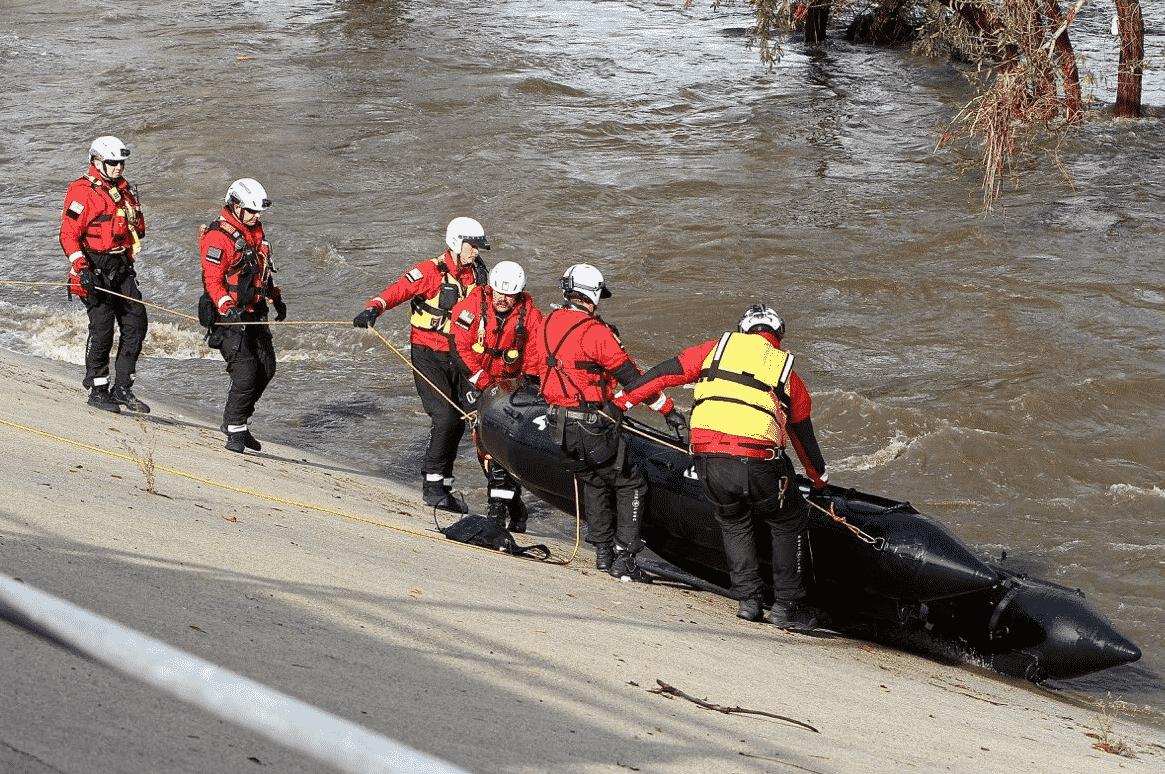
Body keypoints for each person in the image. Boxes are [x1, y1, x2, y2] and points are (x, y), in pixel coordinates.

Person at [616, 304, 828, 629]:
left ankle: (748, 600)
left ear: (743, 330)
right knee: (788, 520)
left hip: (707, 457)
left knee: (733, 522)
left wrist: (620, 403)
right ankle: (787, 606)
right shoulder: (784, 369)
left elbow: (662, 374)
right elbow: (802, 434)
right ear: (778, 336)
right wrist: (819, 481)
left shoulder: (715, 349)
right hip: (757, 460)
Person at [535, 263, 687, 581]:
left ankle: (602, 552)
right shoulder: (596, 332)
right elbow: (633, 379)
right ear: (592, 295)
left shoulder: (546, 322)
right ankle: (625, 557)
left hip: (557, 425)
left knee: (592, 481)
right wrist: (668, 409)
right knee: (630, 482)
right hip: (591, 425)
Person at [353, 217, 489, 512]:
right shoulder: (429, 272)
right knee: (445, 418)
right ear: (456, 242)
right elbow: (398, 290)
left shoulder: (479, 275)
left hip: (462, 356)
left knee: (472, 419)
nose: (476, 252)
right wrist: (373, 308)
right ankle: (432, 486)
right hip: (429, 355)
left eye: (478, 247)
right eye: (472, 246)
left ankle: (450, 486)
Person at [450, 260, 544, 532]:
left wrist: (524, 387)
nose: (503, 299)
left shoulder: (531, 317)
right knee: (484, 447)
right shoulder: (471, 307)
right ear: (491, 289)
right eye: (499, 293)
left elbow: (535, 356)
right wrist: (482, 381)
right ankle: (511, 506)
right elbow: (459, 347)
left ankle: (501, 509)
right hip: (476, 379)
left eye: (509, 294)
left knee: (503, 446)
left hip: (511, 386)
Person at [61, 135, 149, 413]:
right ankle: (98, 388)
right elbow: (68, 234)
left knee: (136, 324)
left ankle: (122, 387)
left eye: (121, 163)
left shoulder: (124, 192)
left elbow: (137, 228)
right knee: (102, 329)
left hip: (121, 266)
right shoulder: (82, 191)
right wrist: (81, 267)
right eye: (112, 163)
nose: (118, 168)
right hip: (93, 267)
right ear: (97, 161)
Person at [199, 178, 285, 454]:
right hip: (228, 317)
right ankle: (234, 427)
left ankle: (240, 419)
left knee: (267, 368)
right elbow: (213, 281)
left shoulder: (256, 234)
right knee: (245, 372)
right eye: (251, 211)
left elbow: (262, 273)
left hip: (255, 313)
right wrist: (227, 306)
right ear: (235, 206)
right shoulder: (218, 237)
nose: (257, 216)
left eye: (258, 212)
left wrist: (276, 299)